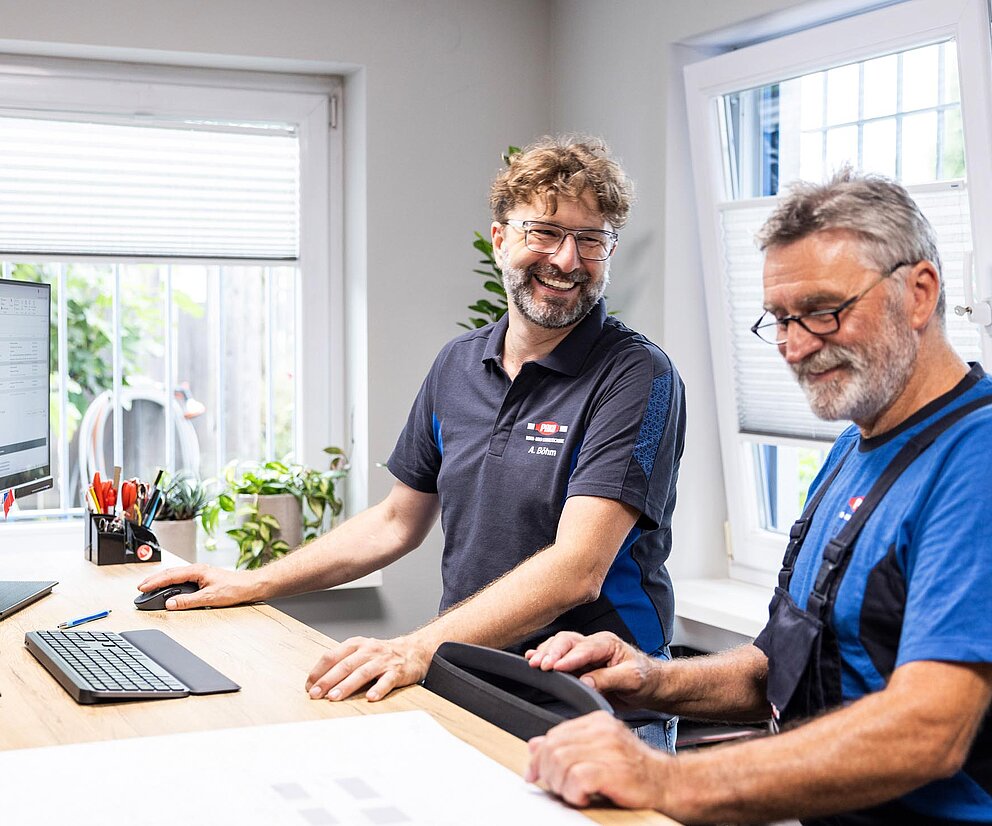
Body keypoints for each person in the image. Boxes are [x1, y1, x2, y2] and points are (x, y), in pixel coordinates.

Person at [139, 135, 686, 749]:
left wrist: (416, 648)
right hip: (474, 685)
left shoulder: (637, 375)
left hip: (597, 706)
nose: (567, 259)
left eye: (592, 240)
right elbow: (396, 521)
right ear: (499, 239)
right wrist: (254, 582)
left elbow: (577, 569)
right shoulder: (458, 364)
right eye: (545, 232)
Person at [524, 169, 992, 824]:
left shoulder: (975, 460)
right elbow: (778, 667)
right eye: (781, 319)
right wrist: (648, 678)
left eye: (823, 311)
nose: (795, 347)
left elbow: (929, 730)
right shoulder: (854, 447)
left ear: (919, 294)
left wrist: (664, 779)